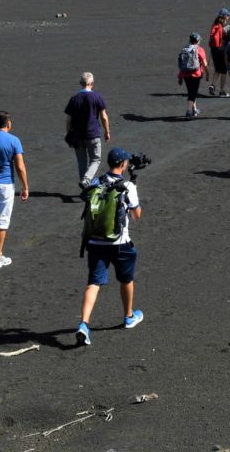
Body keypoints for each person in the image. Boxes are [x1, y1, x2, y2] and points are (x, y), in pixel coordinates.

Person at [76, 147, 142, 345]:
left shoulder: (96, 182)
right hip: (120, 243)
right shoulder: (127, 186)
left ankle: (83, 324)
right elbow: (136, 215)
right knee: (126, 279)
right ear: (123, 164)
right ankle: (129, 316)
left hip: (95, 241)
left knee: (93, 283)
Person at [65, 73, 110, 190]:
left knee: (82, 163)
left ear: (80, 83)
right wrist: (107, 132)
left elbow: (68, 120)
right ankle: (86, 180)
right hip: (93, 135)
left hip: (78, 136)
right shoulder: (97, 97)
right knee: (95, 160)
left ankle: (85, 189)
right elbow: (104, 117)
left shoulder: (74, 98)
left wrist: (69, 133)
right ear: (92, 84)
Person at [0, 111, 29, 269]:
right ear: (8, 124)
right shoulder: (13, 140)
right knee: (2, 221)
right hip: (5, 185)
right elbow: (20, 167)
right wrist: (25, 187)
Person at [177, 33, 208, 119]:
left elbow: (181, 63)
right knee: (193, 93)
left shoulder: (185, 49)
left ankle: (194, 109)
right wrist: (207, 73)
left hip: (185, 74)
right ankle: (189, 111)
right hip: (196, 74)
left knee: (191, 92)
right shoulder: (200, 49)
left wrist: (180, 77)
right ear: (197, 40)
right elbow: (205, 64)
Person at [208, 8, 230, 97]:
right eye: (228, 15)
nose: (229, 17)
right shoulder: (227, 27)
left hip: (214, 51)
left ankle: (213, 85)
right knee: (224, 71)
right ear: (225, 16)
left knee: (218, 69)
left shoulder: (214, 24)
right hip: (223, 52)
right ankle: (222, 90)